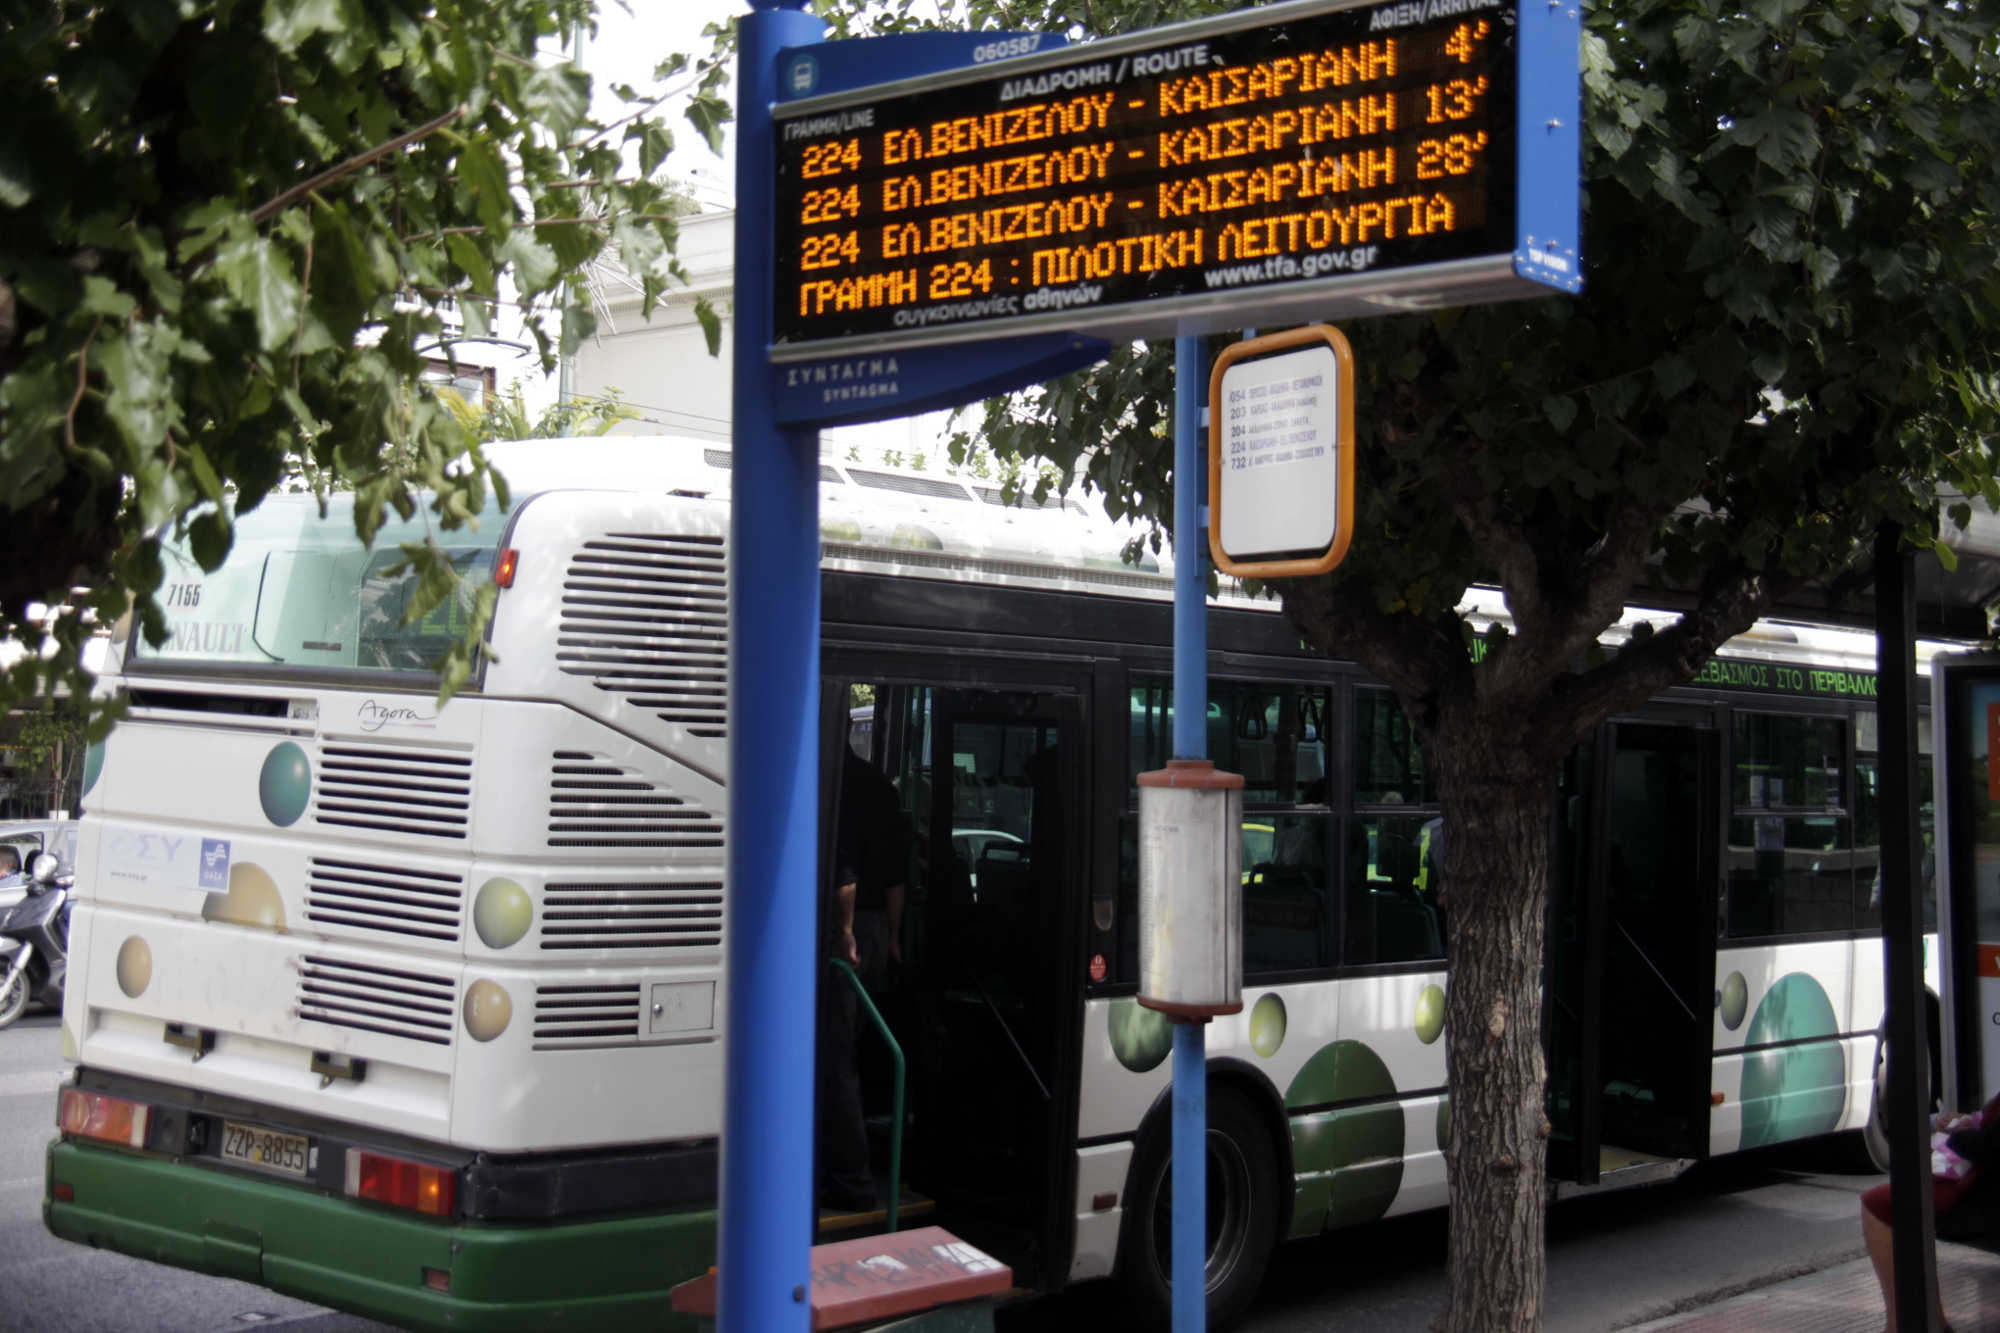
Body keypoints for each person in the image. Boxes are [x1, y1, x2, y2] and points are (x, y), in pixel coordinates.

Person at [816, 748, 912, 1215]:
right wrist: (893, 936)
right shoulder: (880, 786)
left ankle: (851, 1180)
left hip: (848, 932)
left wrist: (845, 933)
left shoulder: (832, 778)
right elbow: (897, 875)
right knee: (848, 1049)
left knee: (835, 1058)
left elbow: (844, 875)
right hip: (876, 930)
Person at [1863, 1090, 2000, 1332]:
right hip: (1983, 1177)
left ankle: (1904, 1324)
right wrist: (1970, 1122)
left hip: (1986, 1191)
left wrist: (1960, 1134)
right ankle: (1925, 1321)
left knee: (1880, 1204)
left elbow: (1991, 1145)